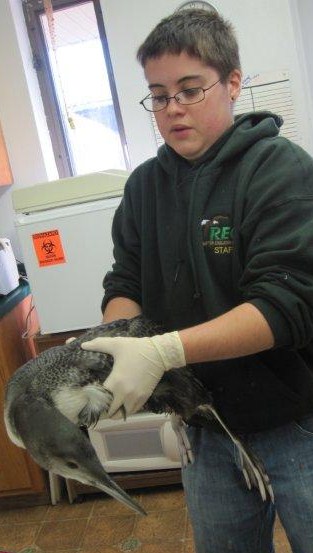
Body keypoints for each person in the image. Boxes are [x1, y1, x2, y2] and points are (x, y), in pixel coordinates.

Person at [82, 8, 313, 552]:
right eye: (159, 96)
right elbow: (125, 279)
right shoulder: (143, 188)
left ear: (233, 83)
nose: (173, 109)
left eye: (190, 89)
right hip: (204, 428)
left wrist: (163, 352)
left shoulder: (280, 170)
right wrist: (122, 343)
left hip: (296, 422)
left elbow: (286, 304)